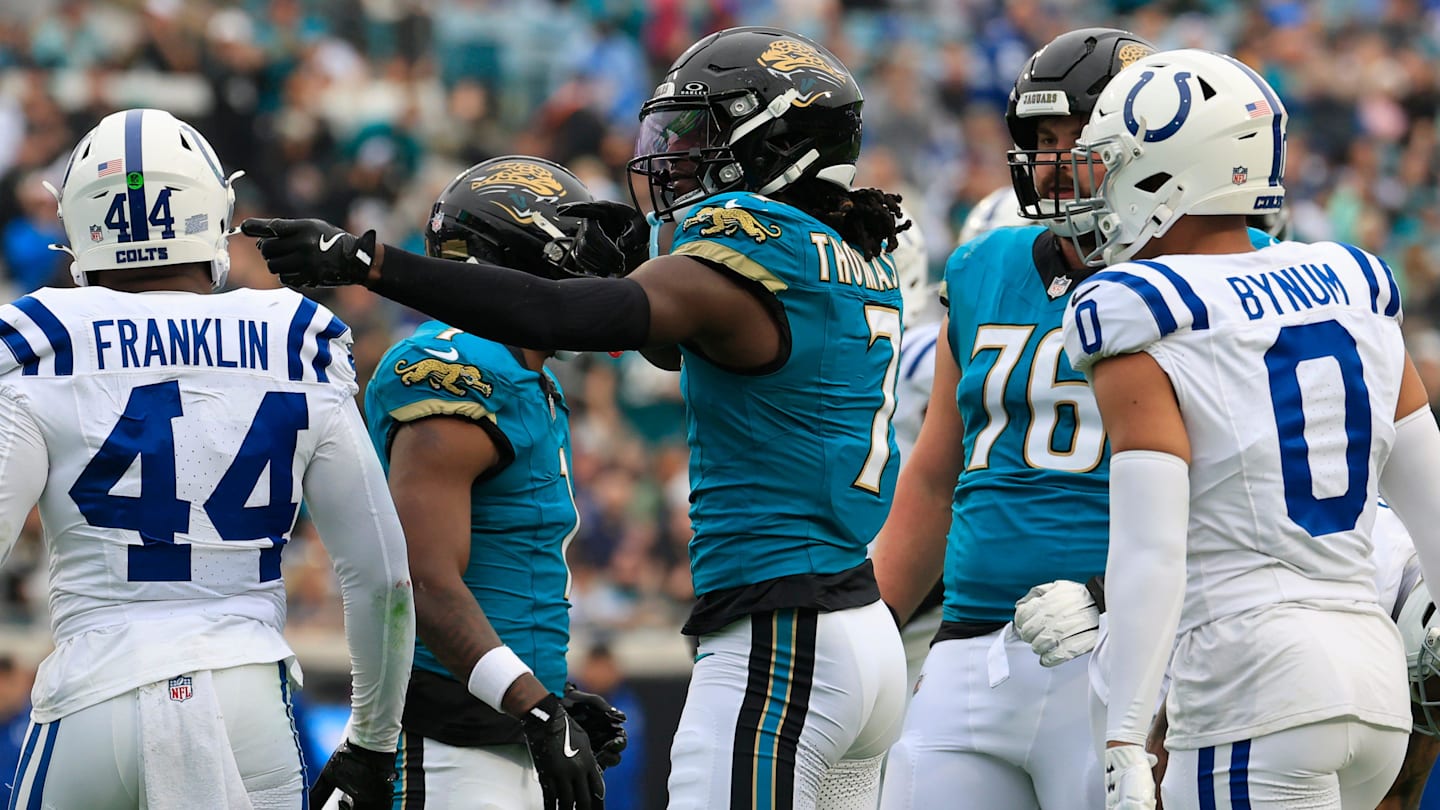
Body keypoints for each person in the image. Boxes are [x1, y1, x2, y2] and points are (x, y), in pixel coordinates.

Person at [243, 25, 910, 810]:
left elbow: (565, 313)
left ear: (778, 142)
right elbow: (664, 337)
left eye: (699, 133)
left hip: (783, 631)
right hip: (862, 629)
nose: (677, 156)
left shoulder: (748, 246)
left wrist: (370, 263)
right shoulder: (855, 255)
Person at [0, 108, 415, 810]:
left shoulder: (42, 338)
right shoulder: (293, 336)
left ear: (79, 225)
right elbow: (384, 580)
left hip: (93, 690)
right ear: (212, 212)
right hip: (244, 693)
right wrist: (374, 741)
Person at [1058, 48, 1440, 809]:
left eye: (1112, 166)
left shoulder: (1142, 306)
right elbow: (1433, 499)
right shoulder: (1353, 282)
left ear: (1167, 175)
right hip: (1373, 685)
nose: (1096, 190)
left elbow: (1150, 550)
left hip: (1251, 682)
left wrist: (1124, 735)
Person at [870, 28, 1159, 810]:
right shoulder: (984, 265)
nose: (1054, 159)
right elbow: (935, 478)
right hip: (970, 644)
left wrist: (1107, 592)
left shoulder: (1201, 270)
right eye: (1042, 139)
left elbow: (1242, 486)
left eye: (1077, 137)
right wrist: (872, 626)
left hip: (1125, 643)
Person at [365, 156, 621, 810]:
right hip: (452, 743)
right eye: (575, 246)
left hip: (508, 730)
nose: (591, 268)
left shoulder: (531, 376)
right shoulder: (457, 367)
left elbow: (505, 568)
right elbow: (423, 579)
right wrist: (535, 705)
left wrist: (551, 694)